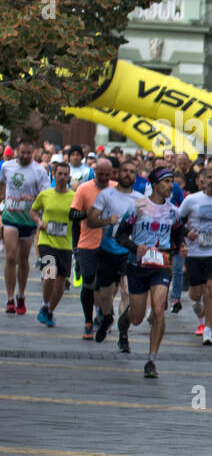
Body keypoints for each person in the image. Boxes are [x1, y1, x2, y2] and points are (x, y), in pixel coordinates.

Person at [113, 166, 184, 377]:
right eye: (166, 181)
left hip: (161, 266)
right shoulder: (138, 207)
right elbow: (120, 235)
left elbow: (178, 234)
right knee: (137, 318)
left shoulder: (174, 211)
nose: (171, 185)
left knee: (159, 310)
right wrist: (136, 247)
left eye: (172, 181)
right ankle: (124, 322)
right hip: (137, 266)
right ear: (155, 184)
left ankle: (151, 360)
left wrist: (181, 246)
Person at [87, 159, 141, 344]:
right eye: (124, 171)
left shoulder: (140, 200)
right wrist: (107, 221)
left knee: (127, 291)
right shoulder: (106, 195)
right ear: (118, 174)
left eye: (132, 171)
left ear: (136, 175)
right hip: (108, 250)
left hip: (129, 251)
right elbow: (91, 220)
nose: (128, 174)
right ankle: (107, 317)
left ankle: (123, 331)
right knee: (105, 293)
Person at [177, 163, 212, 345]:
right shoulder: (191, 200)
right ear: (202, 180)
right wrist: (185, 234)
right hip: (195, 252)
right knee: (196, 294)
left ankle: (208, 329)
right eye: (209, 178)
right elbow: (178, 222)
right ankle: (199, 309)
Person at [68, 156, 116, 339]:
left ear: (111, 174)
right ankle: (88, 321)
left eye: (106, 174)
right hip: (87, 243)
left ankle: (102, 315)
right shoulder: (84, 189)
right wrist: (87, 214)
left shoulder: (116, 188)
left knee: (106, 285)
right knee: (89, 282)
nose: (103, 177)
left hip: (111, 245)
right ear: (94, 172)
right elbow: (72, 214)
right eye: (99, 174)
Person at [2, 139, 50, 314]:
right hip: (10, 216)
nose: (25, 156)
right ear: (17, 151)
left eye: (28, 153)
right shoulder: (7, 166)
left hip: (28, 219)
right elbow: (2, 184)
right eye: (22, 152)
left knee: (23, 260)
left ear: (34, 153)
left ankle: (21, 295)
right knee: (10, 257)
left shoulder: (39, 171)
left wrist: (33, 199)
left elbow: (45, 195)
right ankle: (9, 299)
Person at [31, 161, 75, 326]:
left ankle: (50, 310)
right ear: (54, 175)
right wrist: (39, 222)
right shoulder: (45, 194)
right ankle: (44, 304)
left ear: (69, 176)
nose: (63, 177)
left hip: (65, 243)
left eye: (65, 174)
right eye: (60, 174)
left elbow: (80, 216)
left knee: (61, 281)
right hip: (46, 241)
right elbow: (33, 211)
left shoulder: (74, 196)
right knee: (49, 272)